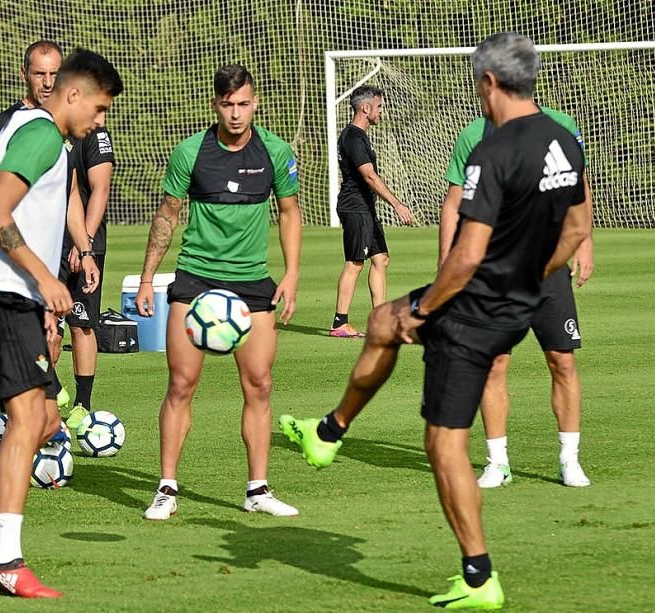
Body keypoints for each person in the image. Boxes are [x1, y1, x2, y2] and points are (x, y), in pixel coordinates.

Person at [280, 33, 591, 609]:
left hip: (474, 307)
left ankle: (479, 578)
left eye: (478, 82)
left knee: (443, 442)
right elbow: (576, 229)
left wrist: (426, 310)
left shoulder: (492, 152)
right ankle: (329, 434)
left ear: (491, 82)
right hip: (518, 300)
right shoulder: (562, 139)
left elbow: (468, 256)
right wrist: (528, 277)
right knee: (380, 322)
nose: (477, 93)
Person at [0, 48, 122, 598]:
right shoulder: (42, 133)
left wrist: (44, 301)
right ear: (72, 95)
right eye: (98, 109)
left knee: (45, 418)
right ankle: (5, 560)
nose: (100, 122)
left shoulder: (50, 137)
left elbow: (38, 217)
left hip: (13, 297)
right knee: (26, 418)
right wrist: (47, 282)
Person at [135, 64, 302, 521]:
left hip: (252, 283)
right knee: (181, 385)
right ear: (215, 104)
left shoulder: (276, 151)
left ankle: (258, 489)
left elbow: (289, 212)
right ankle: (167, 488)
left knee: (260, 385)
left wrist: (290, 275)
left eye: (243, 103)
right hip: (196, 281)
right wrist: (149, 279)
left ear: (255, 102)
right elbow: (167, 215)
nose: (235, 113)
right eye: (227, 104)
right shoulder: (190, 152)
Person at [440, 108, 594, 489]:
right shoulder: (472, 135)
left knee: (562, 361)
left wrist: (586, 240)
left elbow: (579, 184)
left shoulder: (561, 126)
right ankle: (498, 463)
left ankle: (569, 460)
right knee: (493, 365)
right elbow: (454, 202)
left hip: (548, 265)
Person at [331, 85, 414, 338]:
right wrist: (397, 204)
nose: (381, 111)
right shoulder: (354, 137)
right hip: (355, 207)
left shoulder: (360, 136)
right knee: (355, 263)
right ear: (365, 108)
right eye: (378, 106)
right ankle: (339, 323)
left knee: (381, 259)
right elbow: (369, 176)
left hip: (365, 207)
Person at [54, 124, 116, 431]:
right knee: (44, 322)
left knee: (81, 323)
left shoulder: (94, 133)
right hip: (48, 242)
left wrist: (85, 244)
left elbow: (100, 188)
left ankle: (82, 403)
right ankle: (48, 390)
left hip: (87, 243)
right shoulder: (45, 126)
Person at [0, 41, 63, 153]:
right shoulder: (6, 124)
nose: (48, 83)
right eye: (39, 74)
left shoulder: (74, 123)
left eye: (54, 74)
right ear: (24, 74)